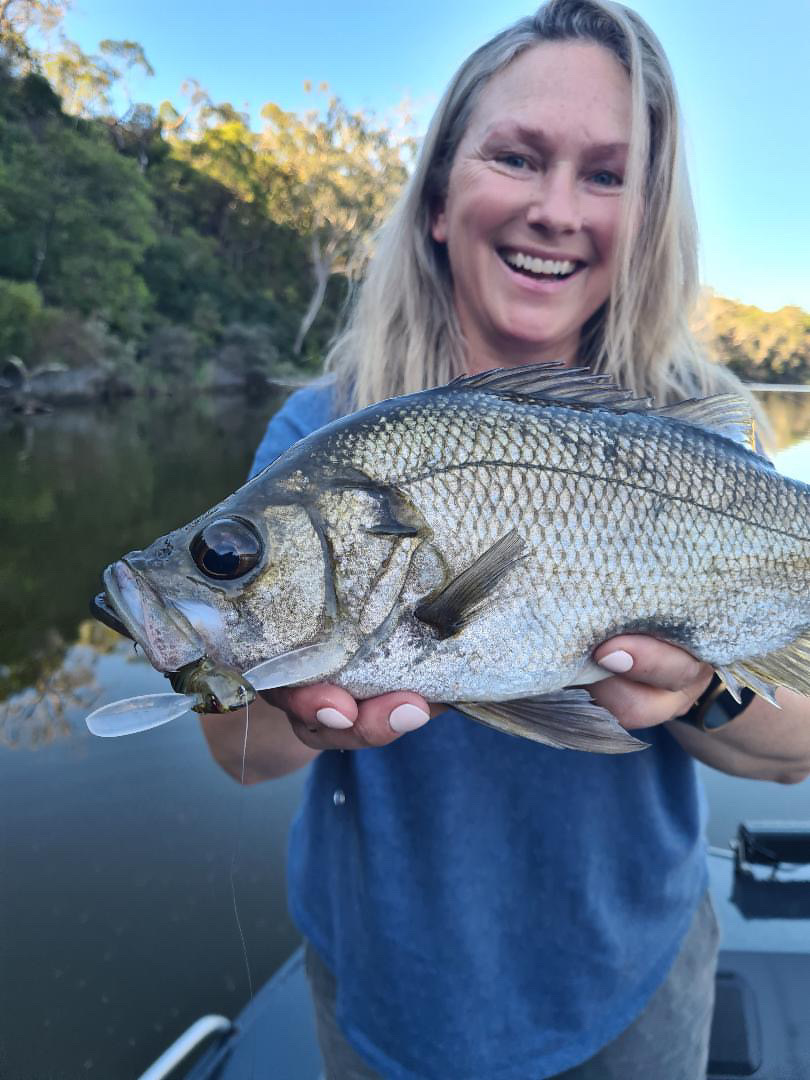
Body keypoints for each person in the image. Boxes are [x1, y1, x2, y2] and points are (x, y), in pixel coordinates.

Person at [201, 2, 810, 1077]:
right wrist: (289, 704)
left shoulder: (703, 435)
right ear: (439, 195)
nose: (556, 209)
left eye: (609, 175)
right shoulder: (322, 434)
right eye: (518, 156)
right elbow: (237, 753)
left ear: (648, 219)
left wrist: (699, 690)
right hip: (388, 986)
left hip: (634, 981)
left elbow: (798, 749)